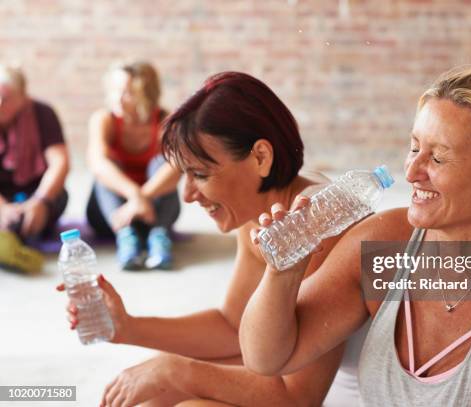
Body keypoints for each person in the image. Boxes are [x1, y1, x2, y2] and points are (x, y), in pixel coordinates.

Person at [240, 66, 471, 406]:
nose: (413, 170)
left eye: (438, 157)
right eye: (415, 147)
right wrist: (282, 274)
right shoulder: (389, 241)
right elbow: (268, 357)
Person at [59, 72, 365, 406]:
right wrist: (126, 328)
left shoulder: (315, 221)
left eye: (201, 174)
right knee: (153, 394)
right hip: (296, 382)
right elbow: (233, 326)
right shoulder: (259, 214)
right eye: (184, 175)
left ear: (261, 157)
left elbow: (296, 396)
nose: (188, 195)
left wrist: (176, 371)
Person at [86, 62, 181, 270]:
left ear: (146, 95)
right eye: (115, 91)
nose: (118, 99)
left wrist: (142, 198)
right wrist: (135, 196)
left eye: (127, 93)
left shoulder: (166, 120)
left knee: (162, 162)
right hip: (113, 215)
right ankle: (126, 239)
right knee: (107, 167)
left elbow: (177, 169)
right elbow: (97, 164)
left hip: (154, 213)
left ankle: (158, 239)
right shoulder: (104, 119)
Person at [0, 64, 69, 272]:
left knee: (59, 197)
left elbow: (60, 162)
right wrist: (2, 207)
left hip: (34, 192)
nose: (0, 104)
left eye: (6, 98)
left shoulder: (43, 113)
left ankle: (15, 235)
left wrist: (40, 200)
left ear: (23, 97)